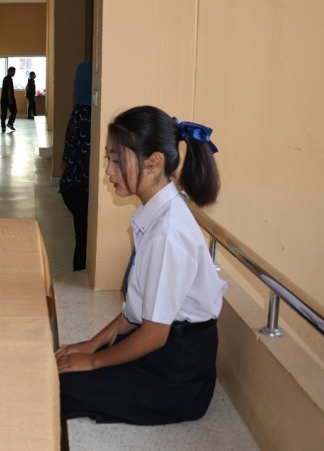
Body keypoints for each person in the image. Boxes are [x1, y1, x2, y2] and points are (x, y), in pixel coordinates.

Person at [57, 105, 226, 425]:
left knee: (58, 388)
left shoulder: (167, 233)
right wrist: (91, 345)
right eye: (108, 158)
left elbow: (153, 335)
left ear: (153, 163)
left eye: (117, 160)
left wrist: (92, 362)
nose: (108, 171)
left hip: (176, 378)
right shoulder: (157, 212)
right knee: (60, 367)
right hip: (165, 352)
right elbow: (135, 313)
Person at [59, 59, 92, 271]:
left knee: (83, 238)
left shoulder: (79, 111)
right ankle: (79, 279)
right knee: (84, 241)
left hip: (71, 185)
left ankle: (79, 275)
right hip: (79, 188)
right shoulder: (90, 118)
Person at [0, 66, 17, 133]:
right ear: (9, 72)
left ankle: (3, 127)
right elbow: (9, 89)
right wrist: (10, 99)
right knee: (14, 110)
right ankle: (10, 123)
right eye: (12, 72)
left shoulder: (5, 78)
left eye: (14, 72)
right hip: (8, 98)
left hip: (3, 98)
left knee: (4, 112)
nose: (14, 73)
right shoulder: (9, 79)